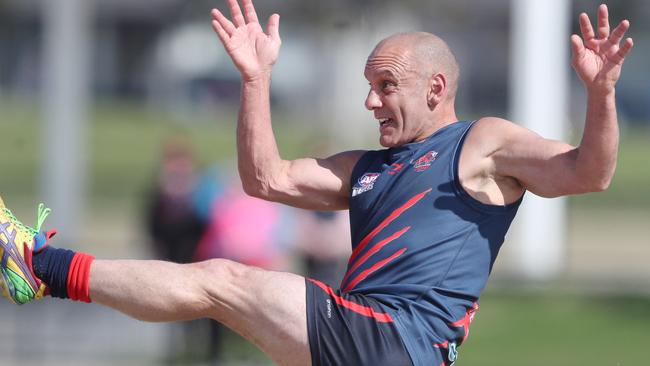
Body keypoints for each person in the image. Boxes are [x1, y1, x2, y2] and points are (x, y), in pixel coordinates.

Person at [0, 1, 633, 365]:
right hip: (366, 338)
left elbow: (589, 172)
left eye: (386, 86)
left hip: (395, 339)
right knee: (215, 285)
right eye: (369, 85)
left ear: (436, 89)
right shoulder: (365, 168)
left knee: (221, 280)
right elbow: (265, 178)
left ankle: (37, 265)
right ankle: (38, 268)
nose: (370, 101)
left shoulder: (480, 143)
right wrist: (254, 81)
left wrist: (600, 93)